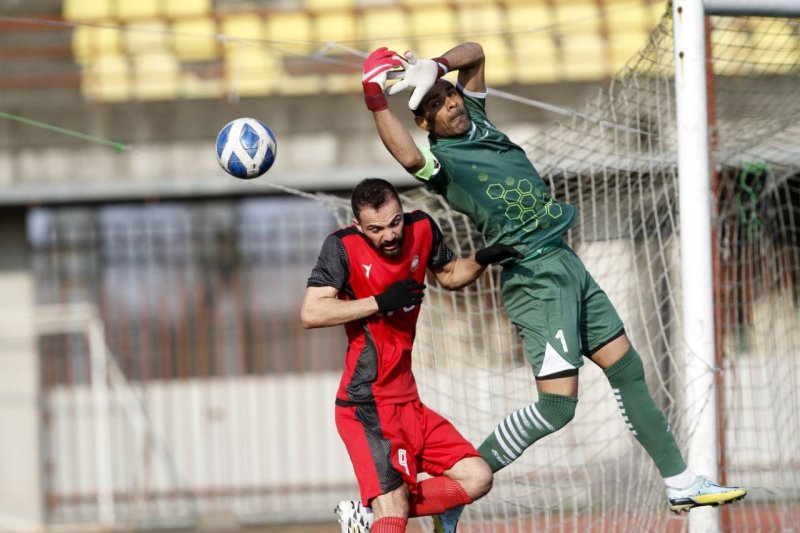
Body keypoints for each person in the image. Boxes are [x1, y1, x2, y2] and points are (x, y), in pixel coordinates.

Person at [355, 42, 747, 531]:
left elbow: (475, 52)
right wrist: (375, 97)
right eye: (432, 104)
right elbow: (406, 155)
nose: (448, 103)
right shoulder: (444, 163)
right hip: (535, 278)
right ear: (425, 123)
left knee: (627, 368)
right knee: (557, 407)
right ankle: (450, 493)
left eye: (446, 94)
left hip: (566, 261)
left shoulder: (478, 117)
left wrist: (437, 66)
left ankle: (680, 481)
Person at [301, 178, 522, 533]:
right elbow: (312, 312)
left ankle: (373, 515)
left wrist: (481, 259)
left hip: (409, 403)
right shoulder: (341, 247)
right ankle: (385, 512)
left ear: (401, 212)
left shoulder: (421, 227)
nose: (389, 235)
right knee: (394, 512)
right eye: (376, 229)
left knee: (477, 477)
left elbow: (449, 274)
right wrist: (379, 302)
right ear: (359, 226)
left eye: (394, 222)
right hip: (367, 404)